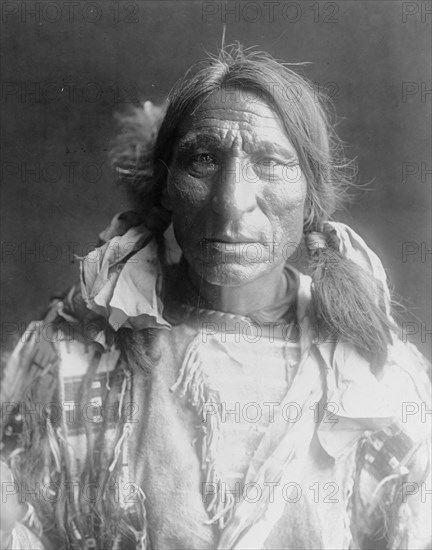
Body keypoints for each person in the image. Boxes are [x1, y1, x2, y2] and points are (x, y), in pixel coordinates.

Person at [1, 45, 430, 550]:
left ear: (310, 197)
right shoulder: (71, 355)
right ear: (164, 187)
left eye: (270, 163)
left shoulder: (374, 380)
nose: (230, 203)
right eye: (203, 160)